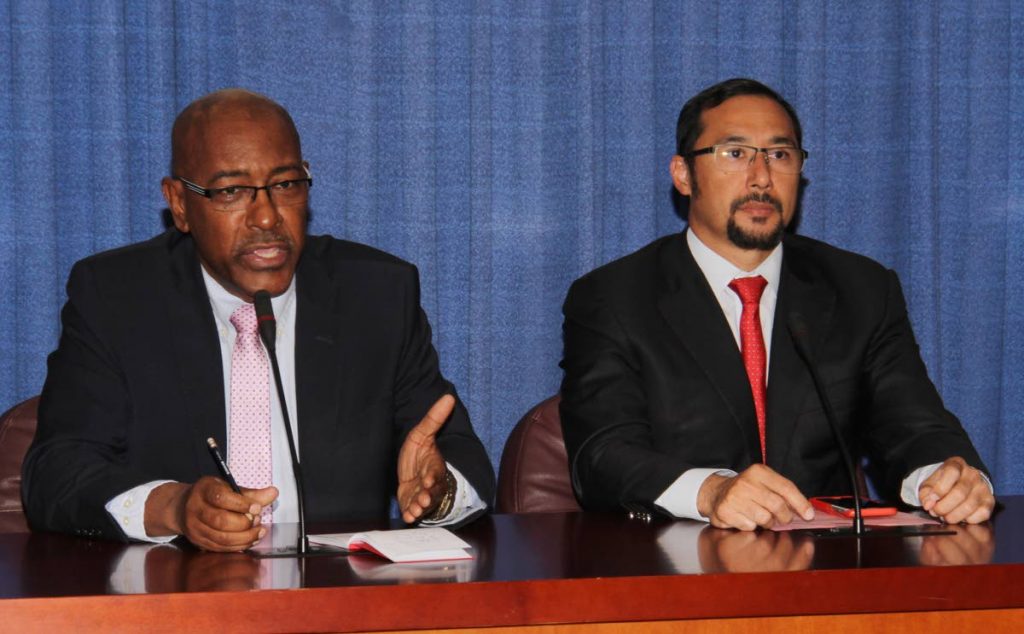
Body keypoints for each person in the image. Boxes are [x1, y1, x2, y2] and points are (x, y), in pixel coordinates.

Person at [22, 89, 495, 551]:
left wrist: (440, 491)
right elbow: (56, 472)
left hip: (336, 603)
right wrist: (174, 506)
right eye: (231, 191)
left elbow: (456, 457)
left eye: (286, 185)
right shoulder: (117, 297)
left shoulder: (375, 296)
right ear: (180, 204)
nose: (267, 216)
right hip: (176, 604)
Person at [559, 78, 994, 531]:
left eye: (780, 155)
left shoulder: (861, 289)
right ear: (683, 175)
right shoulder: (614, 296)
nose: (762, 177)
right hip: (673, 567)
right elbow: (601, 455)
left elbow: (915, 425)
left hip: (826, 567)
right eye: (735, 153)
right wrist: (711, 492)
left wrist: (945, 478)